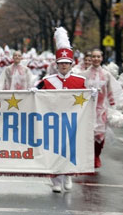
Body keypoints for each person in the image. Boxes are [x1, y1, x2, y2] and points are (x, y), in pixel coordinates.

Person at [37, 27, 86, 193]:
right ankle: (56, 180)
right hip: (53, 121)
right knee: (54, 150)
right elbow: (36, 95)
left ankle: (68, 174)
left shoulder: (80, 81)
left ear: (71, 64)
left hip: (73, 120)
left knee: (70, 149)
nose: (64, 65)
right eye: (61, 63)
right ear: (56, 65)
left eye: (66, 63)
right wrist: (33, 91)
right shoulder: (47, 80)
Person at [82, 49, 123, 168]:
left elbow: (110, 91)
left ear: (101, 59)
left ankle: (97, 156)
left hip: (102, 109)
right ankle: (88, 157)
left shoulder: (106, 75)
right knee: (88, 134)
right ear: (90, 58)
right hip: (87, 109)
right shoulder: (84, 74)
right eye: (94, 56)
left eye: (98, 57)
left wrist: (113, 106)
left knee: (100, 134)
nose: (96, 59)